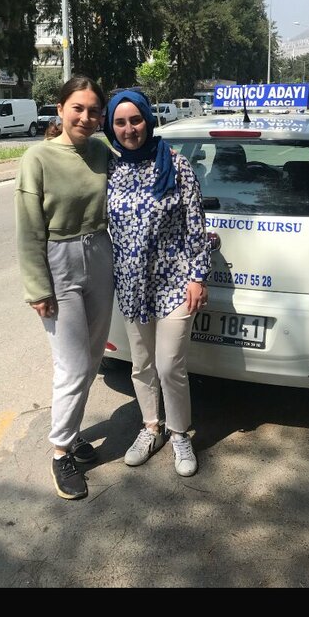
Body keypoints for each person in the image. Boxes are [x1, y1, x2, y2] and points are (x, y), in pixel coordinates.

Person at [15, 76, 114, 500]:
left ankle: (72, 436)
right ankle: (60, 452)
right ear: (59, 108)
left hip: (101, 257)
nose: (86, 117)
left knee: (92, 357)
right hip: (60, 263)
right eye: (78, 108)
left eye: (93, 110)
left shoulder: (101, 152)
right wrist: (38, 288)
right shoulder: (37, 159)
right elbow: (28, 231)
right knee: (72, 365)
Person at [105, 90, 211, 477]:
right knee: (141, 364)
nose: (129, 129)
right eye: (120, 122)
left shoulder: (176, 165)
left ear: (148, 120)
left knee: (169, 366)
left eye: (135, 120)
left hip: (174, 283)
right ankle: (151, 427)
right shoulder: (111, 171)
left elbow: (195, 227)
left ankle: (179, 433)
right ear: (111, 127)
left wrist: (197, 277)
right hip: (132, 285)